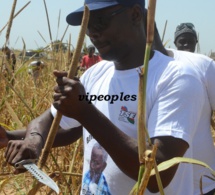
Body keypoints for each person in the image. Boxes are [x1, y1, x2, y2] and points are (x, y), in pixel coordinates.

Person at [2, 0, 215, 194]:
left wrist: (85, 112)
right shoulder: (95, 74)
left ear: (135, 15)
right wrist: (31, 141)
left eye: (101, 21)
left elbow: (156, 173)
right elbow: (54, 122)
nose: (92, 32)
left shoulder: (176, 78)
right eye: (88, 24)